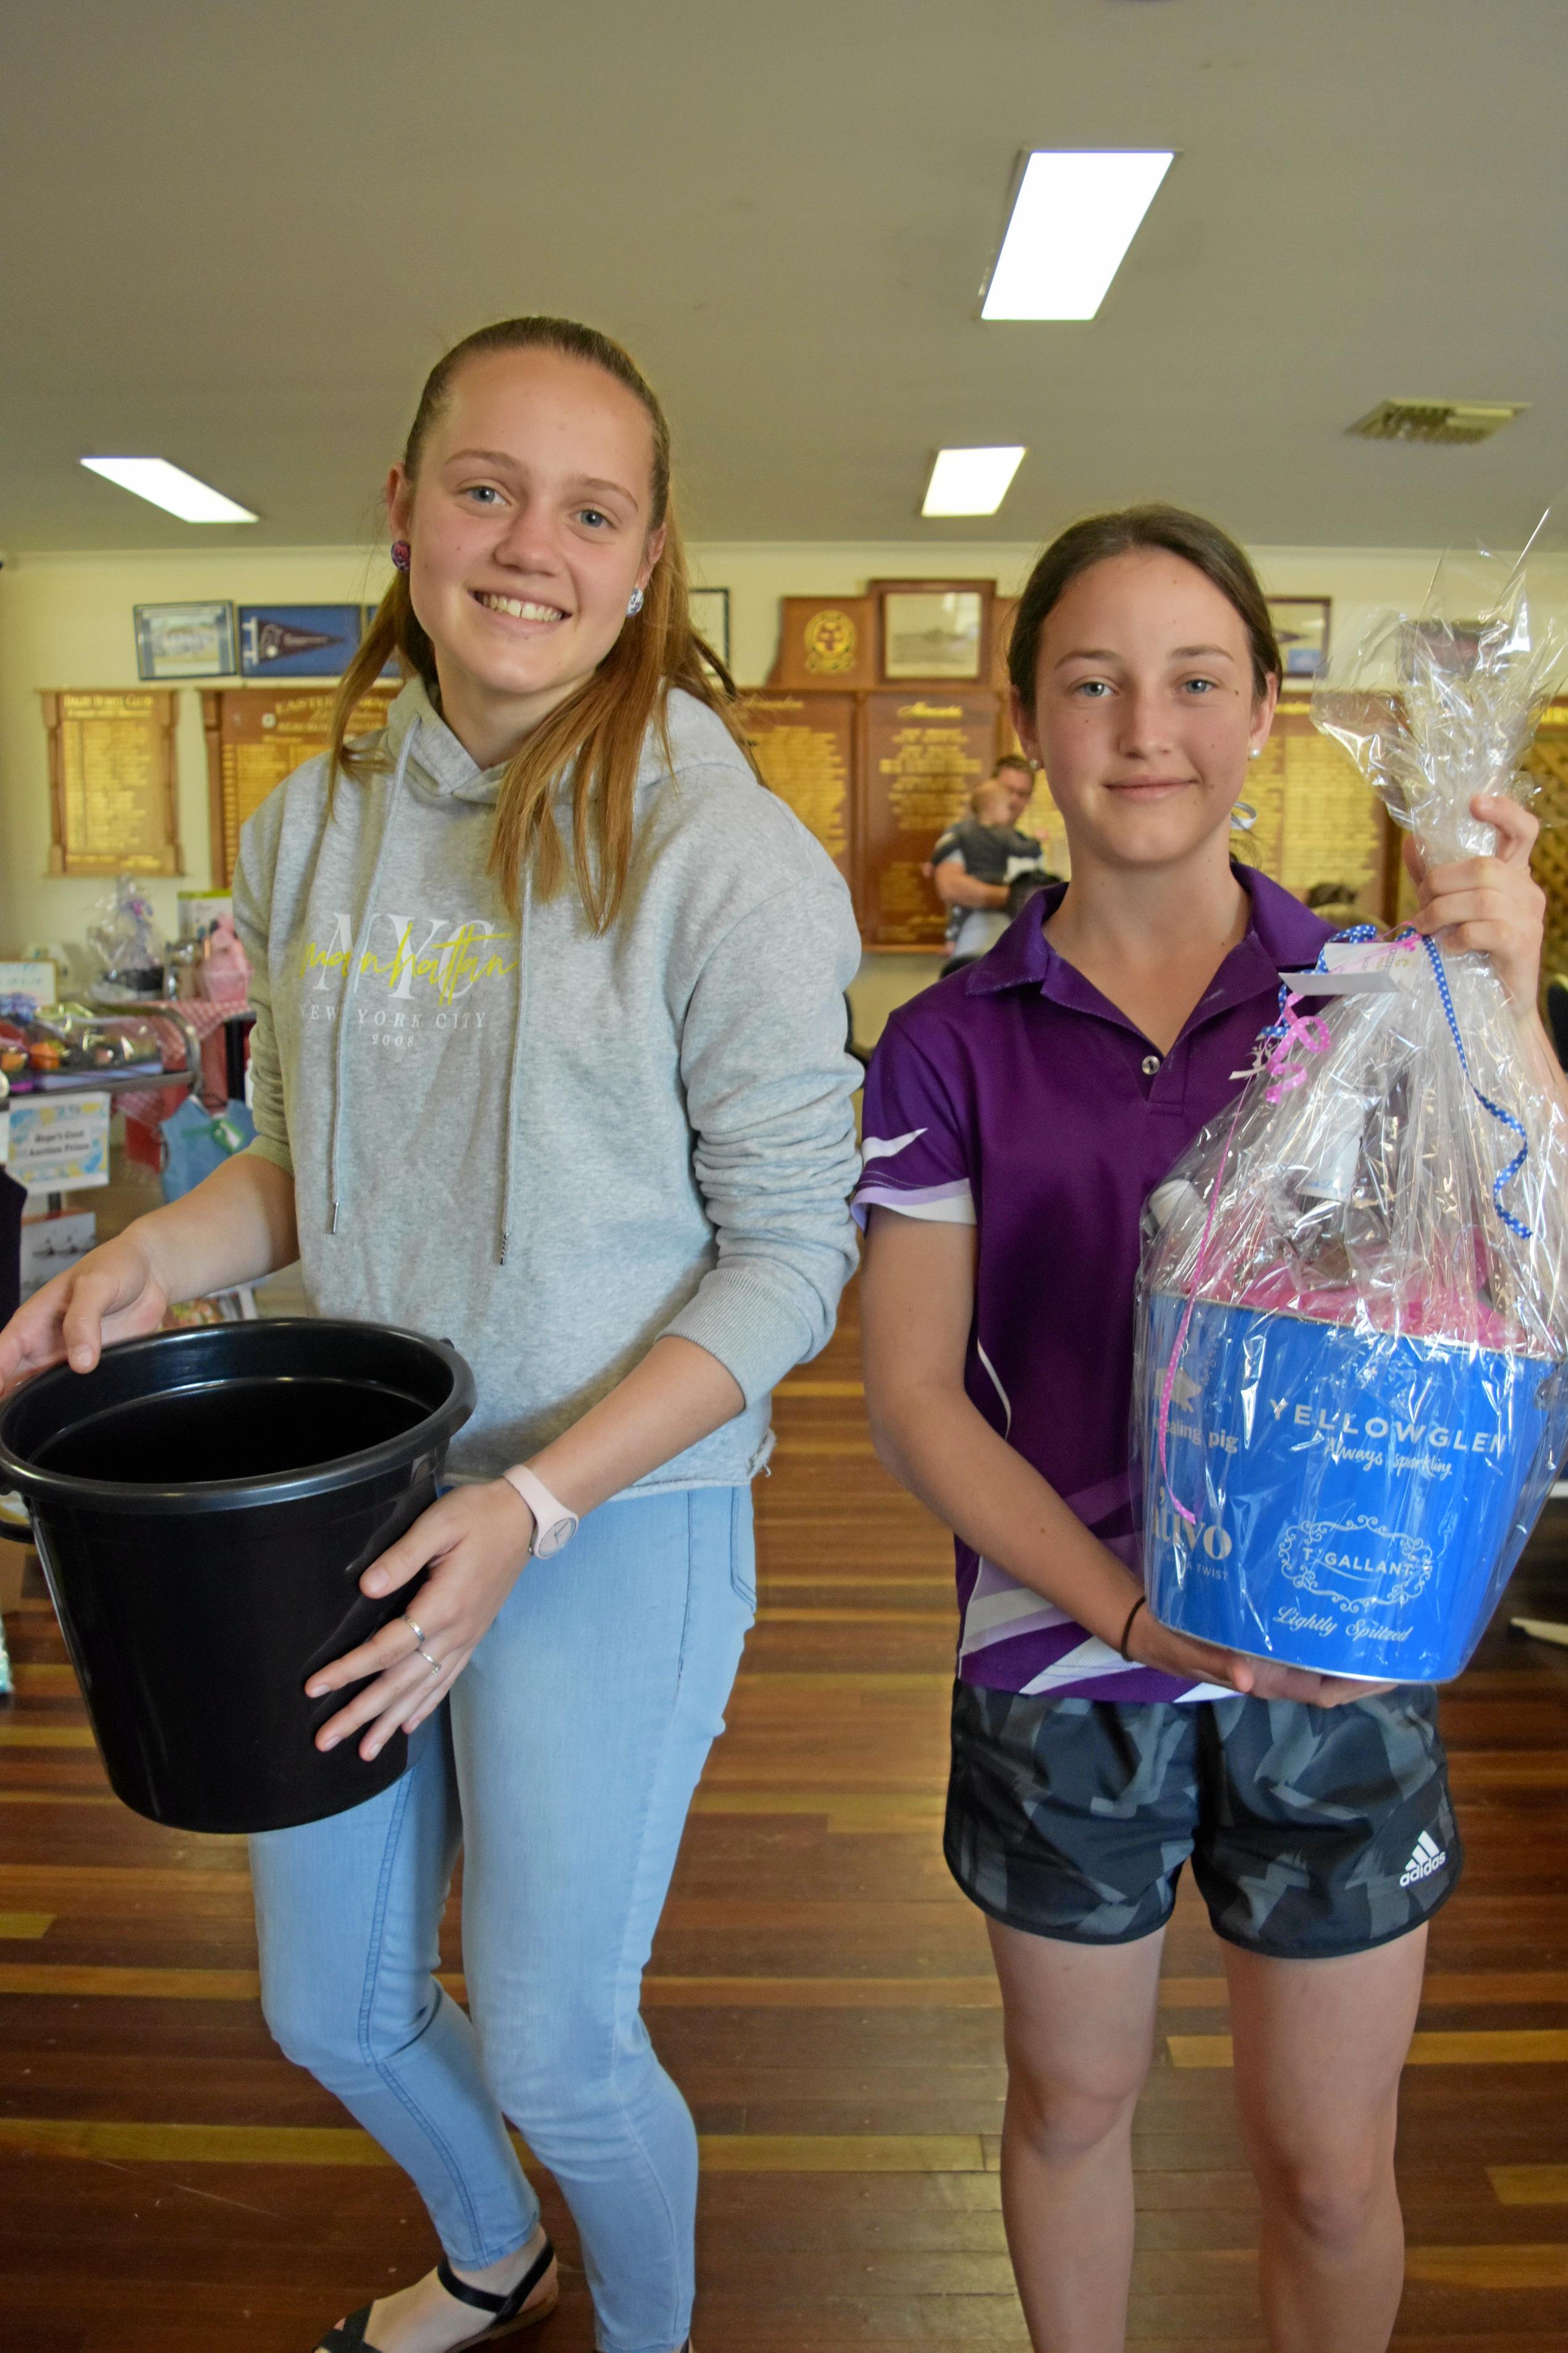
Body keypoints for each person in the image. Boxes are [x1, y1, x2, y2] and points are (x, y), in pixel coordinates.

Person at [0, 316, 862, 2353]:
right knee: (332, 2001)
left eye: (588, 509)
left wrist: (542, 1500)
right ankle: (496, 2243)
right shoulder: (312, 827)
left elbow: (789, 1258)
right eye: (483, 489)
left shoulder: (727, 857)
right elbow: (301, 1162)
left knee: (563, 2043)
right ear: (400, 510)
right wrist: (147, 1256)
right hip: (350, 1500)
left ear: (647, 559)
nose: (526, 548)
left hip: (611, 1509)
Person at [854, 503, 1553, 2353]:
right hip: (1061, 1654)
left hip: (1336, 1661)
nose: (1143, 726)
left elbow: (1530, 1271)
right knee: (1072, 2108)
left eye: (1192, 682)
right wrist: (1131, 1615)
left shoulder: (1372, 1006)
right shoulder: (950, 1043)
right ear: (1034, 725)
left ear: (1263, 717)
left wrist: (1510, 1002)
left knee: (1330, 2168)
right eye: (1093, 683)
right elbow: (914, 1394)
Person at [927, 754, 1051, 966]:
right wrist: (1018, 899)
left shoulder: (1027, 845)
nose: (1013, 800)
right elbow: (951, 887)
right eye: (1007, 790)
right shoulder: (963, 835)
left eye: (1022, 794)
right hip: (974, 956)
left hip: (1020, 960)